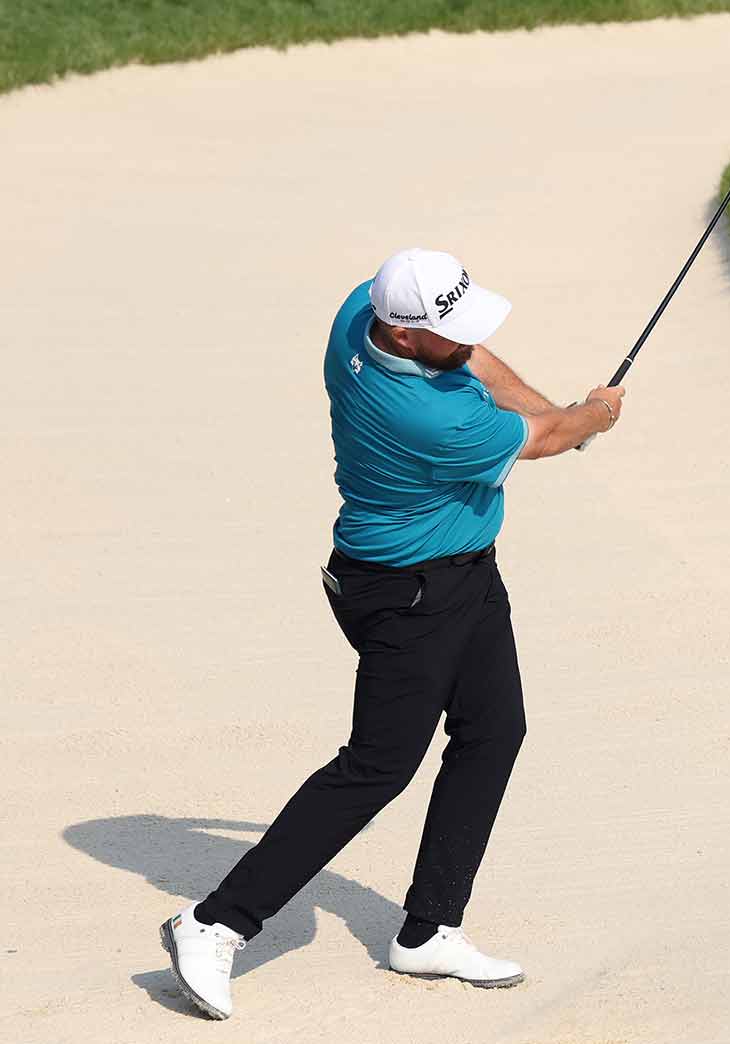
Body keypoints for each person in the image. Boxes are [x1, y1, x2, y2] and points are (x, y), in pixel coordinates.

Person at [159, 248, 626, 1020]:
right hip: (408, 597)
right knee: (377, 767)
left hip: (463, 576)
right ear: (404, 336)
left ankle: (430, 928)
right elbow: (536, 440)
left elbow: (480, 362)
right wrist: (593, 416)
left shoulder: (359, 312)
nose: (465, 340)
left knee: (494, 730)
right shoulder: (434, 417)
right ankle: (214, 922)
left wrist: (562, 417)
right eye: (446, 331)